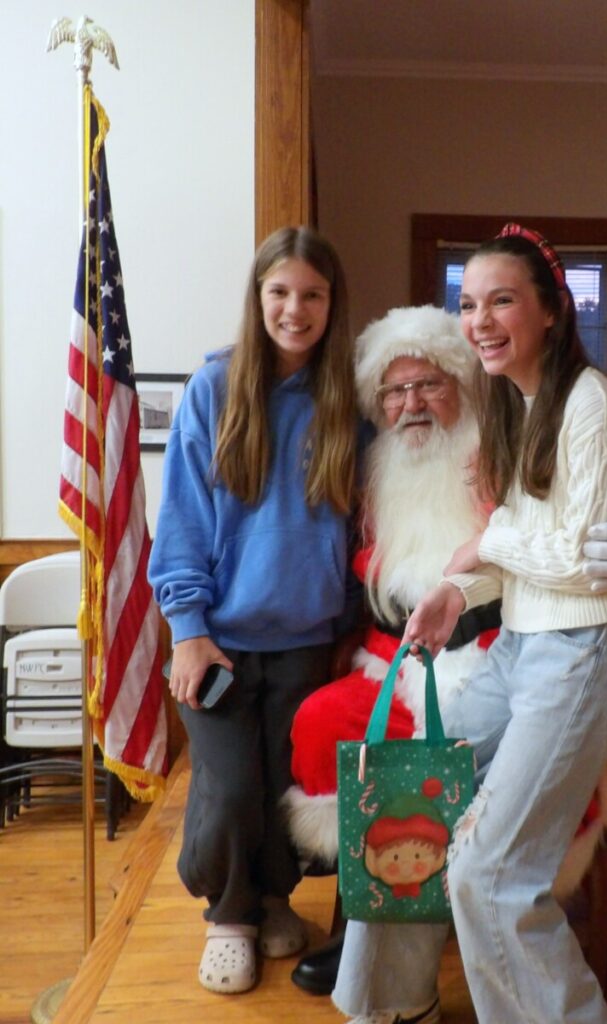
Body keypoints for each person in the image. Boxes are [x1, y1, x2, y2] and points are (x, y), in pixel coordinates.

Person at [285, 303, 607, 1001]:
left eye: (428, 384)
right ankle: (377, 899)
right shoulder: (371, 470)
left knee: (484, 795)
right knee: (324, 722)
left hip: (505, 647)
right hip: (397, 662)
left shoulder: (517, 435)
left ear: (461, 384)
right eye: (395, 391)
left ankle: (483, 905)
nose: (410, 404)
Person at [147, 226, 365, 995]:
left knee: (282, 787)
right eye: (279, 292)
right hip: (218, 639)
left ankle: (273, 899)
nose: (294, 310)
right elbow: (180, 520)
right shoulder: (214, 389)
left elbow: (359, 524)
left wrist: (347, 629)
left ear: (332, 304)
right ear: (257, 297)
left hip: (308, 636)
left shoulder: (347, 400)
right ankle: (229, 917)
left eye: (312, 295)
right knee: (230, 787)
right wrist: (187, 631)